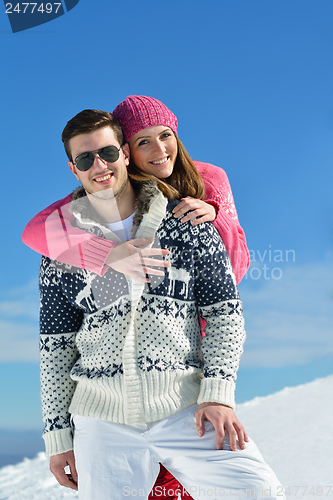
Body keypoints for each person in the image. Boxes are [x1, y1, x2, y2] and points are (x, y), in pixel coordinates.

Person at [36, 108, 284, 500]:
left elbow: (224, 314)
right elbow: (56, 346)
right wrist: (57, 435)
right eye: (85, 159)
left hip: (184, 406)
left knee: (260, 492)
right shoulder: (60, 246)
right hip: (100, 420)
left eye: (108, 153)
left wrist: (218, 393)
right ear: (73, 169)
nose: (99, 166)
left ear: (124, 153)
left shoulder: (186, 221)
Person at [22, 96, 249, 286]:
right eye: (143, 142)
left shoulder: (210, 178)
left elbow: (238, 267)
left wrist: (216, 217)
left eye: (165, 135)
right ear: (127, 153)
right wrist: (108, 254)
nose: (159, 149)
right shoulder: (117, 186)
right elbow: (36, 229)